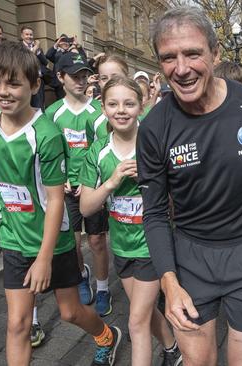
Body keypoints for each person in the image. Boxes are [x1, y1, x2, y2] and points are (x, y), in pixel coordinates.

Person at [137, 7, 242, 366]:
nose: (181, 69)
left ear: (216, 53)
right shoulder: (153, 128)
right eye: (169, 58)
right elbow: (155, 212)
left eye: (193, 53)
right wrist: (168, 280)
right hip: (191, 259)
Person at [0, 40, 121, 366]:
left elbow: (56, 201)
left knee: (70, 312)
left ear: (35, 84)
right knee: (17, 324)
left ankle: (106, 335)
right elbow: (1, 173)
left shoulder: (46, 134)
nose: (3, 91)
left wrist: (43, 258)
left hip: (53, 243)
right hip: (14, 237)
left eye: (13, 83)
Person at [79, 76, 182, 366]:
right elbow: (86, 208)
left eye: (129, 103)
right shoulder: (98, 151)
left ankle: (171, 351)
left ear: (141, 106)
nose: (121, 110)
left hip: (152, 247)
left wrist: (150, 181)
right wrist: (112, 181)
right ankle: (173, 348)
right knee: (146, 314)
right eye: (113, 104)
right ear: (103, 108)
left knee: (136, 322)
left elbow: (177, 203)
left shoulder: (155, 145)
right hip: (122, 248)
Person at [45, 52, 111, 317]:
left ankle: (104, 288)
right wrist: (58, 181)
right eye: (75, 76)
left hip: (91, 186)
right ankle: (82, 276)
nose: (81, 81)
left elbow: (101, 148)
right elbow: (50, 151)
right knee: (73, 242)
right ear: (60, 78)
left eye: (85, 75)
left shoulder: (97, 111)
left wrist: (90, 181)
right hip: (65, 189)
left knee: (96, 239)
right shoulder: (52, 113)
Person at [88, 54, 130, 141]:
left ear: (127, 77)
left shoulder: (141, 115)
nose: (109, 82)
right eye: (104, 78)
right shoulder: (92, 119)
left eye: (115, 77)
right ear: (98, 82)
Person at [46, 34, 88, 100]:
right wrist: (56, 44)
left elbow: (83, 59)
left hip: (71, 81)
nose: (65, 43)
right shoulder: (57, 54)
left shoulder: (72, 53)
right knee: (60, 100)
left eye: (67, 42)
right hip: (59, 83)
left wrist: (78, 46)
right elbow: (48, 55)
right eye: (63, 41)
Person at [20, 26, 49, 110]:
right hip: (26, 79)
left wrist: (38, 51)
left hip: (38, 79)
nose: (29, 36)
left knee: (39, 104)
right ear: (22, 36)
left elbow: (45, 62)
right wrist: (35, 49)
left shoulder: (38, 48)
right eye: (27, 34)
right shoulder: (19, 47)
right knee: (28, 104)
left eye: (31, 35)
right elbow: (26, 60)